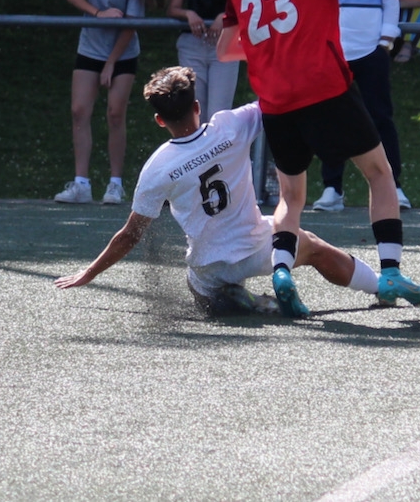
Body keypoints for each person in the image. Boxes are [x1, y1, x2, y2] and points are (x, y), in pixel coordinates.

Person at [217, 0, 420, 316]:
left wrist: (275, 46)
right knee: (379, 173)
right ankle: (391, 271)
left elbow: (226, 50)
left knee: (291, 196)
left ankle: (281, 270)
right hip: (325, 90)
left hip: (276, 102)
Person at [54, 66, 395, 316]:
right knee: (315, 247)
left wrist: (89, 273)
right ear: (197, 107)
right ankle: (382, 286)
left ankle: (242, 301)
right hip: (257, 246)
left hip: (208, 266)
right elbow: (276, 103)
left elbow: (130, 235)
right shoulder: (230, 126)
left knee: (203, 293)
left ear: (159, 120)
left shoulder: (157, 168)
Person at [55, 0, 169, 205]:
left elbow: (131, 25)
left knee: (115, 113)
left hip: (122, 52)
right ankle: (81, 183)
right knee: (79, 110)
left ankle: (115, 184)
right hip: (89, 47)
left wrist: (110, 64)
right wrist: (98, 13)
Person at [312, 0, 412, 214]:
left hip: (371, 50)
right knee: (330, 119)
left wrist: (386, 40)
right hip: (330, 52)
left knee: (380, 118)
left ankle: (394, 187)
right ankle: (332, 189)